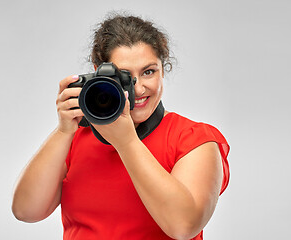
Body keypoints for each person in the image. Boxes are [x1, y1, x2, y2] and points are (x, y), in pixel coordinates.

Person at [12, 13, 230, 240]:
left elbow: (183, 226)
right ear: (100, 73)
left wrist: (126, 142)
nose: (137, 90)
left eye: (148, 72)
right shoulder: (76, 137)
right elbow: (26, 211)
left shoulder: (194, 140)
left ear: (163, 70)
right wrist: (63, 131)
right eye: (125, 76)